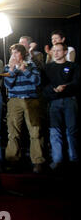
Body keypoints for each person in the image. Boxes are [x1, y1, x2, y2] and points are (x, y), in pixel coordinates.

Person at [4, 44, 45, 173]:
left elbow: (37, 81)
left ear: (23, 54)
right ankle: (12, 160)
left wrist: (25, 70)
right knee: (13, 132)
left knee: (35, 131)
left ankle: (38, 162)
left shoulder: (31, 65)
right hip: (14, 100)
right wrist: (13, 70)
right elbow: (8, 84)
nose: (14, 56)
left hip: (30, 99)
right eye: (12, 53)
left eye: (16, 53)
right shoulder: (8, 67)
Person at [42, 43, 79, 172]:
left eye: (59, 51)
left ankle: (74, 159)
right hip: (54, 102)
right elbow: (43, 86)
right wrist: (53, 90)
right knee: (55, 131)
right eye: (54, 51)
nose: (56, 53)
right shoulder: (48, 67)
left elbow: (77, 82)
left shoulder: (73, 66)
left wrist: (66, 87)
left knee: (72, 130)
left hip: (69, 100)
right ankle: (57, 160)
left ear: (65, 52)